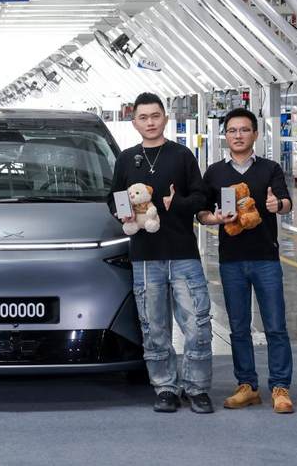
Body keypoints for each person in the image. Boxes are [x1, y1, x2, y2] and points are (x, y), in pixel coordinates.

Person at [107, 92, 213, 414]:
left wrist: (176, 204)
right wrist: (123, 214)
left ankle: (196, 388)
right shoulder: (126, 159)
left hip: (183, 255)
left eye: (155, 116)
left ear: (165, 118)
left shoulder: (182, 155)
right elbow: (113, 198)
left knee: (197, 325)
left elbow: (201, 198)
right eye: (143, 117)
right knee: (154, 328)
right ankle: (165, 386)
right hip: (145, 256)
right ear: (134, 122)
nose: (150, 122)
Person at [199, 108, 295, 414]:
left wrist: (277, 204)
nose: (238, 135)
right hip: (231, 261)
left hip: (266, 258)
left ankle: (280, 387)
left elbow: (287, 202)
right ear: (225, 136)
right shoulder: (214, 172)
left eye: (244, 130)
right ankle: (247, 386)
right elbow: (201, 213)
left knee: (275, 326)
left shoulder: (270, 168)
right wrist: (215, 218)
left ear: (255, 134)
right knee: (238, 327)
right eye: (232, 130)